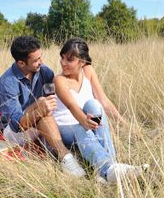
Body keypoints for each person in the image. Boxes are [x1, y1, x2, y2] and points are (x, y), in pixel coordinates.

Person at [53, 37, 146, 183]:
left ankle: (111, 168)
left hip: (88, 120)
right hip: (65, 127)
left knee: (94, 104)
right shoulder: (59, 80)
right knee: (80, 128)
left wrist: (127, 126)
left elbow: (104, 102)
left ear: (82, 61)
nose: (63, 63)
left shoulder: (88, 71)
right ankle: (108, 169)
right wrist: (84, 121)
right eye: (62, 57)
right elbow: (71, 106)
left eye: (69, 60)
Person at [0, 36, 86, 177]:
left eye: (40, 57)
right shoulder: (7, 82)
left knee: (51, 114)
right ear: (21, 63)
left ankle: (78, 157)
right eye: (36, 60)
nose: (41, 62)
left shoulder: (45, 72)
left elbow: (56, 99)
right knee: (42, 112)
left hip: (43, 122)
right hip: (14, 131)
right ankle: (67, 159)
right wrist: (39, 109)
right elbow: (16, 125)